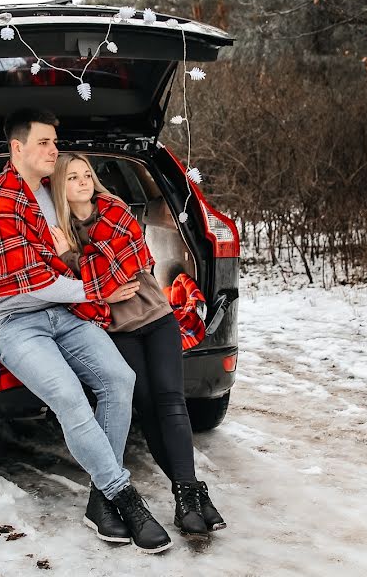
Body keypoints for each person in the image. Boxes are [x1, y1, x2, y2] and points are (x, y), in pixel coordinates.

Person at [0, 108, 172, 554]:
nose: (53, 150)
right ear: (17, 147)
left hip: (61, 311)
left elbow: (91, 226)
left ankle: (100, 502)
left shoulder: (50, 191)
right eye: (43, 142)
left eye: (54, 142)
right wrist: (99, 290)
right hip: (12, 320)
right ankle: (126, 499)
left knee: (119, 379)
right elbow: (36, 280)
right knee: (68, 395)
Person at [49, 152, 226, 540]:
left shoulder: (115, 209)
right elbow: (71, 292)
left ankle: (186, 495)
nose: (83, 182)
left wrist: (77, 262)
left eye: (86, 175)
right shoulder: (57, 230)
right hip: (116, 330)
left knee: (171, 401)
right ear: (58, 187)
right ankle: (194, 498)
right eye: (72, 178)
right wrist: (87, 273)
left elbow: (130, 262)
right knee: (145, 407)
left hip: (155, 316)